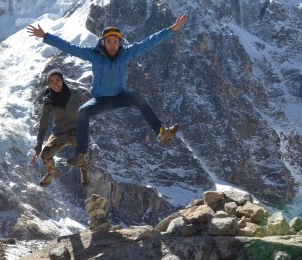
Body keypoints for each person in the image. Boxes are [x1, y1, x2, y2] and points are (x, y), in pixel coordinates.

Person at [27, 15, 188, 186]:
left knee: (137, 97)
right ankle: (81, 155)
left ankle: (161, 133)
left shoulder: (127, 53)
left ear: (120, 43)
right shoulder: (94, 55)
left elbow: (148, 43)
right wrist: (45, 36)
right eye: (109, 41)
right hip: (100, 100)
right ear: (103, 42)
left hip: (120, 97)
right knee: (83, 111)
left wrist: (170, 30)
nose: (112, 44)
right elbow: (70, 48)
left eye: (115, 41)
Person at [33, 69, 88, 187]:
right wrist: (38, 145)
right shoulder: (48, 102)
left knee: (81, 152)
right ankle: (53, 172)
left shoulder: (76, 95)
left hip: (77, 131)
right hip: (60, 134)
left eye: (58, 80)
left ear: (62, 81)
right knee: (45, 155)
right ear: (49, 84)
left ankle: (84, 168)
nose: (55, 84)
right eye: (51, 82)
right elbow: (43, 125)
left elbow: (90, 104)